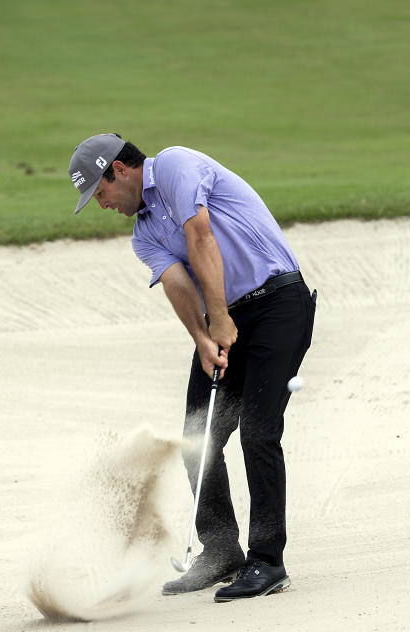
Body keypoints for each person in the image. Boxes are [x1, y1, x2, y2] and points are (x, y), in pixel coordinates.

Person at [68, 133, 316, 602]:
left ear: (119, 170)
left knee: (258, 433)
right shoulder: (144, 235)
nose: (102, 205)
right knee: (196, 439)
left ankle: (268, 562)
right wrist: (204, 339)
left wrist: (220, 318)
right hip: (230, 317)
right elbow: (179, 284)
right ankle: (221, 549)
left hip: (280, 303)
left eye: (99, 193)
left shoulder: (178, 166)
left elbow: (200, 235)